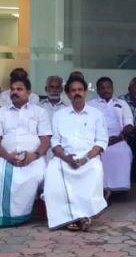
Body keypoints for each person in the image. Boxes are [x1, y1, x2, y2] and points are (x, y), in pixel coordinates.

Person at [0, 77, 51, 227]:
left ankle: (20, 215)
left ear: (29, 92)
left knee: (37, 175)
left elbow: (45, 140)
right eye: (13, 89)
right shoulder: (0, 113)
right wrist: (8, 156)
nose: (15, 92)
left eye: (19, 89)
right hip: (6, 156)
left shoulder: (40, 112)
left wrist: (34, 156)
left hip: (34, 158)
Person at [44, 76, 108, 231]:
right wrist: (66, 158)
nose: (77, 93)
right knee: (53, 171)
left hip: (89, 158)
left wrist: (85, 158)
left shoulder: (96, 114)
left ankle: (84, 216)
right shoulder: (59, 115)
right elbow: (55, 141)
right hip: (65, 157)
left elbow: (101, 141)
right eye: (73, 91)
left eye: (80, 90)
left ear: (85, 92)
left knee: (95, 169)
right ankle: (67, 218)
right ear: (67, 94)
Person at [88, 77, 134, 197]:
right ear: (98, 90)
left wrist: (120, 137)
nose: (106, 90)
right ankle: (102, 189)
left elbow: (129, 124)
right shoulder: (90, 105)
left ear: (112, 88)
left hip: (117, 139)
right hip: (96, 141)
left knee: (124, 152)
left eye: (108, 87)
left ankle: (117, 188)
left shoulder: (122, 104)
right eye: (102, 88)